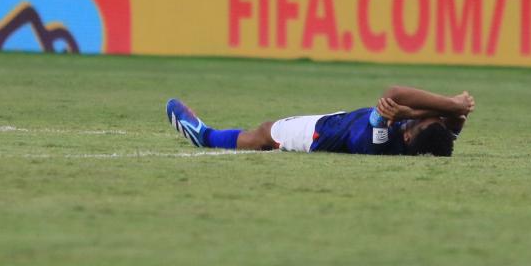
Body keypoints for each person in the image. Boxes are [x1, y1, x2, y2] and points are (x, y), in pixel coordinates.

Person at [165, 85, 474, 155]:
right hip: (339, 122)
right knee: (262, 133)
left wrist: (452, 103)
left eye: (418, 124)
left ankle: (204, 137)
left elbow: (394, 94)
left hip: (319, 134)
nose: (435, 117)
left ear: (407, 137)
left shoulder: (379, 141)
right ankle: (206, 136)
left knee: (263, 134)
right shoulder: (431, 142)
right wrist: (450, 112)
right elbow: (455, 121)